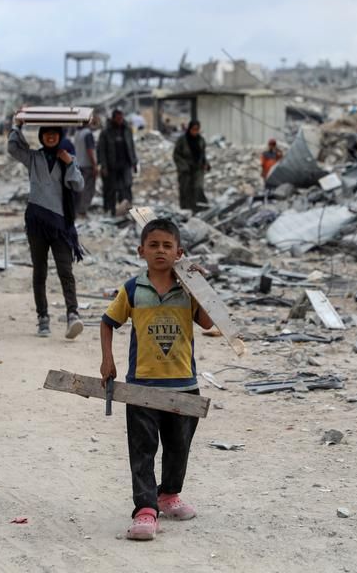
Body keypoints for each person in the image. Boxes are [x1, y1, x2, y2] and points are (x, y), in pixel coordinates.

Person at [100, 218, 214, 541]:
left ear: (180, 252)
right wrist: (107, 359)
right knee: (143, 448)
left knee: (179, 447)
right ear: (141, 251)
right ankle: (145, 510)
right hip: (142, 386)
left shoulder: (188, 290)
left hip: (183, 384)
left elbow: (207, 322)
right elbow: (107, 322)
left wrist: (201, 286)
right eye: (154, 245)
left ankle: (168, 495)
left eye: (167, 246)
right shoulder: (133, 289)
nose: (160, 251)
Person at [7, 120, 85, 340]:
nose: (51, 137)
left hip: (61, 225)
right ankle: (43, 318)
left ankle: (72, 314)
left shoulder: (69, 158)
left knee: (65, 271)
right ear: (41, 136)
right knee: (39, 271)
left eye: (54, 134)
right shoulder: (34, 158)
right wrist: (18, 126)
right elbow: (13, 148)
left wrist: (69, 163)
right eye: (47, 134)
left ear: (60, 136)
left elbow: (78, 185)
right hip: (37, 222)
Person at [97, 109, 138, 216]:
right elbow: (101, 150)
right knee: (110, 189)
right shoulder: (106, 132)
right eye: (118, 118)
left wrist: (134, 162)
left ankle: (126, 209)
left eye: (121, 118)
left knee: (126, 187)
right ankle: (109, 210)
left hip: (125, 165)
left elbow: (131, 146)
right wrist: (104, 166)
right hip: (111, 166)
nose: (120, 120)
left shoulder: (127, 130)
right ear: (113, 118)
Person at [173, 120, 210, 211]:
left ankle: (198, 208)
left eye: (197, 130)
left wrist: (206, 164)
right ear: (189, 129)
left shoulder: (200, 140)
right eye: (193, 129)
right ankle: (185, 209)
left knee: (198, 188)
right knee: (185, 190)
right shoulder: (182, 140)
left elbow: (203, 155)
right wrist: (184, 166)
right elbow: (176, 155)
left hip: (198, 169)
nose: (195, 132)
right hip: (185, 170)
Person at [73, 118, 98, 217]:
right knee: (88, 189)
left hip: (78, 164)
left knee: (80, 188)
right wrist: (94, 165)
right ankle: (82, 210)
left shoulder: (77, 132)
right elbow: (90, 150)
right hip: (87, 165)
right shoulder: (87, 133)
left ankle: (78, 209)